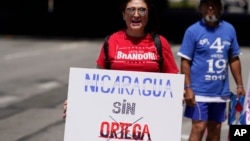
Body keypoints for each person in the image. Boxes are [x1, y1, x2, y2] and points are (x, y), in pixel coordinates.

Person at [63, 0, 179, 119]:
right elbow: (95, 84)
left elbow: (172, 83)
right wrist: (77, 103)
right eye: (131, 9)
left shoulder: (160, 43)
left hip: (150, 116)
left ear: (148, 15)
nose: (136, 14)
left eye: (142, 10)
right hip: (115, 115)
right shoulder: (111, 41)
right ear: (124, 15)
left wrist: (179, 94)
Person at [177, 0, 246, 141]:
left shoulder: (229, 30)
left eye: (214, 4)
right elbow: (185, 61)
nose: (210, 7)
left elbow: (234, 58)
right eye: (206, 4)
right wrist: (187, 88)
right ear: (200, 8)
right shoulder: (192, 31)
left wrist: (239, 84)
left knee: (215, 129)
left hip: (220, 92)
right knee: (199, 127)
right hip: (198, 92)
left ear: (220, 8)